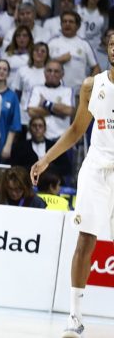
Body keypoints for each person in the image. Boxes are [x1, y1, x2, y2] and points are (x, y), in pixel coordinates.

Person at [31, 32, 114, 337]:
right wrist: (46, 159)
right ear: (107, 50)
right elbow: (78, 129)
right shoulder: (93, 85)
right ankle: (75, 317)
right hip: (94, 170)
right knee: (85, 242)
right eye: (112, 44)